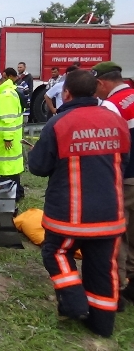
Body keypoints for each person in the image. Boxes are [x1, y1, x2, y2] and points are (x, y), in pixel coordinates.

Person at [28, 69, 130, 338]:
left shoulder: (59, 123)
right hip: (110, 214)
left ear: (66, 93)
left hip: (69, 214)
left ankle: (74, 302)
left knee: (57, 253)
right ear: (95, 91)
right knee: (102, 268)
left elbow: (38, 167)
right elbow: (124, 163)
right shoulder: (116, 120)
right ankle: (102, 324)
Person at [92, 61, 134, 306]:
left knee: (114, 234)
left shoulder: (111, 105)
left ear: (100, 82)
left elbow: (112, 145)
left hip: (126, 179)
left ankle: (113, 292)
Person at [0, 71, 25, 201]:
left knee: (8, 168)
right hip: (6, 138)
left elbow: (8, 119)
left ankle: (14, 194)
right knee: (10, 167)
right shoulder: (5, 93)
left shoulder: (6, 96)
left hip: (7, 139)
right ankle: (17, 191)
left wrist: (7, 138)